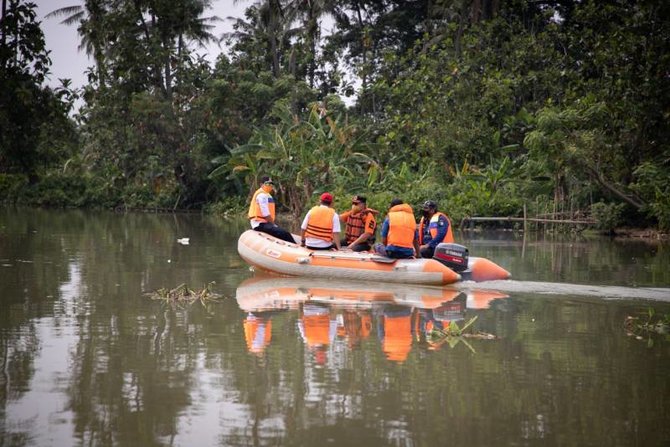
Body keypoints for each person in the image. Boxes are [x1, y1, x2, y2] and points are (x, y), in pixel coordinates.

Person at [248, 175, 295, 243]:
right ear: (261, 184)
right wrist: (273, 224)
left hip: (266, 223)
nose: (270, 185)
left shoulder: (267, 195)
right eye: (267, 183)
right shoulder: (261, 195)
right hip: (259, 224)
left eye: (271, 184)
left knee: (283, 233)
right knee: (284, 233)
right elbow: (266, 214)